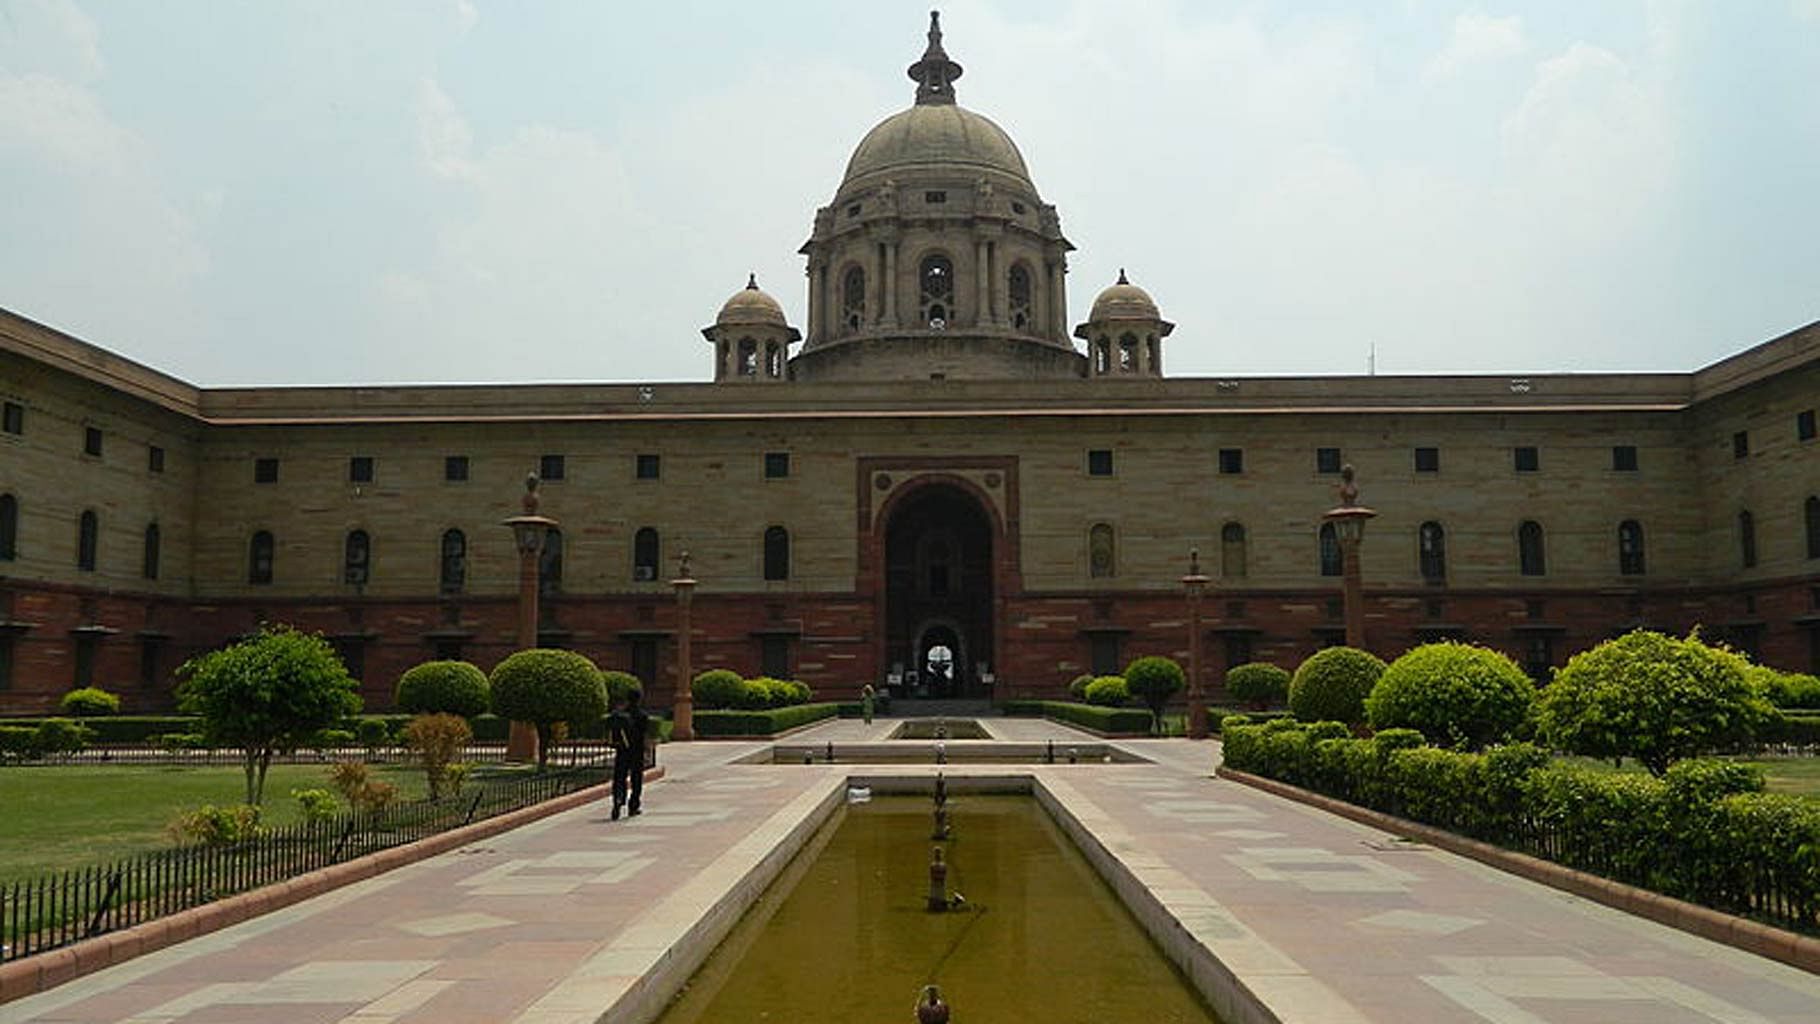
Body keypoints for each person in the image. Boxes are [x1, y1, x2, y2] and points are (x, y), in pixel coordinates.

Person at [607, 689, 650, 820]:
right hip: (636, 751)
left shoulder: (620, 715)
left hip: (622, 750)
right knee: (636, 779)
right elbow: (643, 734)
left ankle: (618, 800)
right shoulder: (642, 715)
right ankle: (633, 805)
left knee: (620, 777)